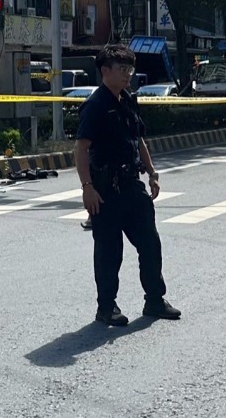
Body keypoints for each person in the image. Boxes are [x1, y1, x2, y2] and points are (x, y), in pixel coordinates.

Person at [76, 44, 181, 326]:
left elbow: (139, 140)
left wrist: (152, 172)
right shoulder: (95, 105)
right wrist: (87, 187)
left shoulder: (128, 100)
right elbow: (81, 149)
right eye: (122, 69)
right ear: (105, 71)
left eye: (129, 69)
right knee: (109, 252)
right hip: (105, 189)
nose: (127, 75)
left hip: (132, 185)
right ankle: (106, 307)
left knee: (150, 244)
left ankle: (155, 300)